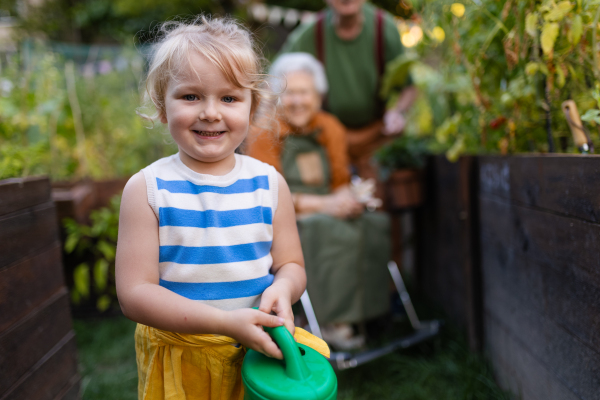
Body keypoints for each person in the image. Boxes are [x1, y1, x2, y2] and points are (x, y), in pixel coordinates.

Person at [115, 17, 326, 400]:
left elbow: (291, 265)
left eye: (229, 98)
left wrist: (283, 288)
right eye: (190, 96)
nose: (210, 112)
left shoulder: (269, 184)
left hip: (255, 354)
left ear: (252, 107)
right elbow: (134, 293)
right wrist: (225, 322)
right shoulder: (146, 190)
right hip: (183, 362)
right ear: (163, 106)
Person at [247, 53, 391, 350]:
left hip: (327, 207)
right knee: (327, 230)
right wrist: (325, 205)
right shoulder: (264, 131)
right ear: (277, 97)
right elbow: (268, 194)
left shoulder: (330, 127)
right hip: (284, 216)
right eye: (290, 93)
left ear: (318, 96)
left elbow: (339, 180)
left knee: (374, 223)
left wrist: (349, 200)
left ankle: (371, 311)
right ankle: (330, 320)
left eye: (305, 93)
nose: (297, 101)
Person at [280, 0, 417, 183]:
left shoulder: (384, 27)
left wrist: (398, 112)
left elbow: (408, 87)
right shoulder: (311, 32)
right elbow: (274, 79)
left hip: (376, 138)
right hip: (326, 140)